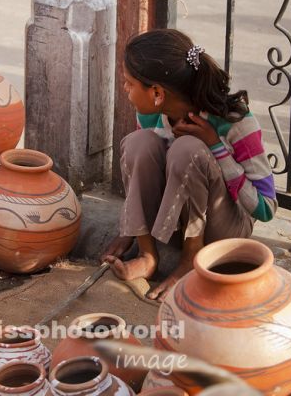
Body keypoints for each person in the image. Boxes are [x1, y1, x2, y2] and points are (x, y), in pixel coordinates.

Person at [101, 28, 277, 301]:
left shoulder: (234, 121)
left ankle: (191, 257)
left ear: (157, 92)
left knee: (188, 149)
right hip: (170, 225)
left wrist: (215, 146)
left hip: (224, 228)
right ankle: (149, 255)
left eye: (129, 83)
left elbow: (266, 209)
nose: (124, 89)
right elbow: (143, 174)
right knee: (139, 142)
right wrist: (131, 228)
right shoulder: (150, 117)